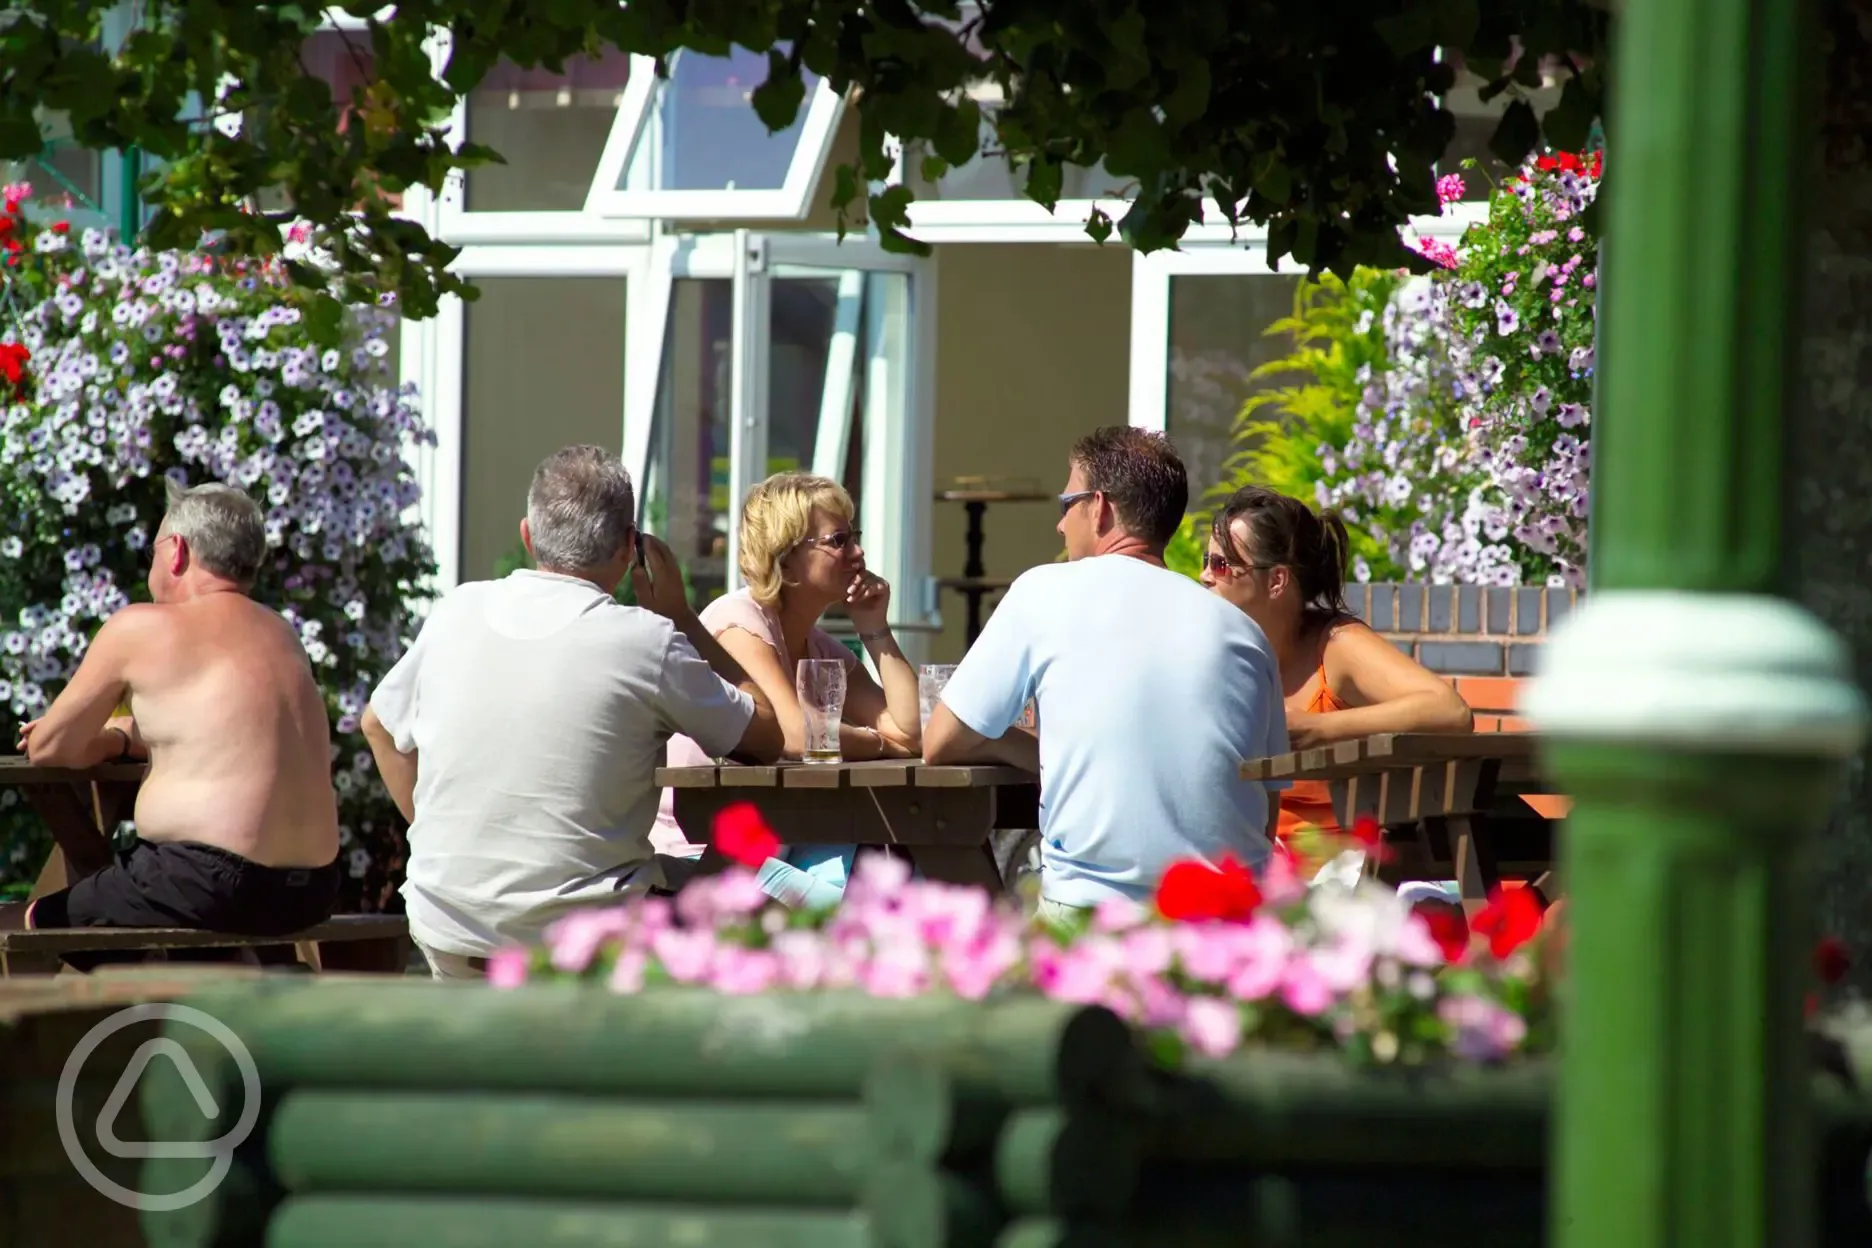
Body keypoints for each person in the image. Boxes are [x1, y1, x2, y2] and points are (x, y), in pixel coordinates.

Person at [362, 445, 783, 979]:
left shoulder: (456, 611)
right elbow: (767, 735)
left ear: (527, 535)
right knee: (764, 900)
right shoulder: (646, 639)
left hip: (449, 923)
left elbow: (377, 725)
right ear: (631, 546)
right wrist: (683, 617)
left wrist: (449, 837)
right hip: (583, 939)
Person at [923, 427, 1289, 925]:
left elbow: (941, 741)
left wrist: (1025, 748)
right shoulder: (1245, 634)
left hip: (1091, 918)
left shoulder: (1043, 592)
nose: (1059, 526)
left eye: (1065, 504)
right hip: (1227, 929)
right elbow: (1266, 819)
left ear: (1099, 508)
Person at [0, 481, 341, 958]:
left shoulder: (143, 626)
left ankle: (84, 1030)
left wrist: (104, 742)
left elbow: (50, 746)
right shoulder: (282, 634)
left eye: (153, 549)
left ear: (176, 551)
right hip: (311, 891)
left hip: (209, 879)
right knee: (163, 931)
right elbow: (224, 733)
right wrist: (123, 737)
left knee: (19, 923)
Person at [654, 472, 921, 908]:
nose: (858, 552)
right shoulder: (737, 622)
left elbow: (912, 731)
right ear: (786, 558)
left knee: (894, 874)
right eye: (838, 540)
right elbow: (796, 735)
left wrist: (874, 626)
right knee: (880, 894)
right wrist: (880, 744)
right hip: (703, 855)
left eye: (855, 536)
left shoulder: (818, 646)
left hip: (781, 843)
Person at [1199, 484, 1472, 869]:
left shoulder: (1335, 647)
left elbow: (1451, 712)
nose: (1204, 576)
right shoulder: (1217, 651)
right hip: (1247, 864)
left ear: (1276, 580)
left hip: (1338, 875)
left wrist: (1320, 729)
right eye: (1206, 560)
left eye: (1221, 564)